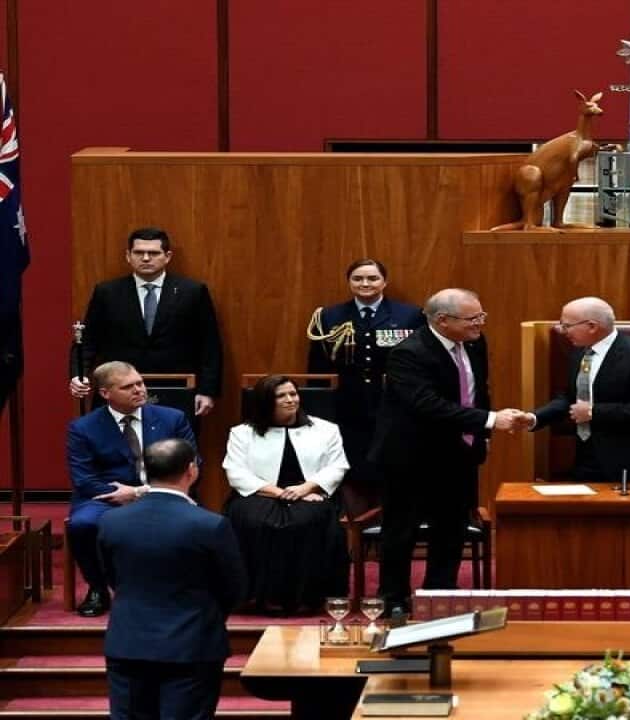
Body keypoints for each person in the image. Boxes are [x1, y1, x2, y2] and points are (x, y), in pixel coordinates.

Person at [369, 289, 523, 612]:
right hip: (410, 457)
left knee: (451, 529)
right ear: (442, 320)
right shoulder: (407, 353)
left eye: (482, 316)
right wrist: (492, 420)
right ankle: (394, 600)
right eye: (473, 318)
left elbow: (478, 390)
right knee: (402, 531)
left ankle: (440, 595)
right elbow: (427, 406)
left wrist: (483, 432)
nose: (480, 323)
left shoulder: (475, 342)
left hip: (459, 454)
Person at [99, 438, 247, 720]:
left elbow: (112, 577)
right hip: (192, 644)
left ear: (144, 473)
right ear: (191, 471)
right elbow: (235, 588)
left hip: (128, 642)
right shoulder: (210, 525)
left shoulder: (111, 522)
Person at [66, 361, 197, 617]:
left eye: (140, 383)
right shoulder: (82, 428)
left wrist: (140, 492)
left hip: (164, 493)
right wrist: (121, 495)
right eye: (128, 387)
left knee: (200, 522)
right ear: (106, 393)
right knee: (81, 524)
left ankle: (178, 589)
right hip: (106, 496)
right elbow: (84, 478)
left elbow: (191, 464)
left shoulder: (173, 418)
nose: (139, 390)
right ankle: (98, 587)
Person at [222, 375, 350, 614]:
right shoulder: (241, 433)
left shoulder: (326, 429)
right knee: (255, 521)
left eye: (293, 393)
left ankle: (306, 598)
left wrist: (305, 488)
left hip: (311, 490)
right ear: (265, 401)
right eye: (281, 396)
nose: (291, 400)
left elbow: (337, 467)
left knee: (307, 521)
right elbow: (236, 472)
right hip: (260, 493)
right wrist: (282, 493)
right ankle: (256, 597)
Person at [522, 296, 630, 483]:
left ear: (592, 326)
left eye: (567, 325)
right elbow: (570, 398)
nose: (563, 331)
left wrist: (594, 412)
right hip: (588, 459)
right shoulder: (579, 352)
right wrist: (535, 417)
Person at [307, 258, 424, 512]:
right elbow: (318, 368)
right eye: (358, 278)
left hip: (393, 406)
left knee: (392, 467)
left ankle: (390, 528)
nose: (365, 283)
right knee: (353, 468)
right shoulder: (329, 315)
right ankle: (355, 532)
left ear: (385, 281)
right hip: (348, 407)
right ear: (349, 282)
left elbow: (420, 363)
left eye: (372, 278)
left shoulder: (410, 315)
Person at [68, 227, 223, 417]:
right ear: (128, 256)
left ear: (167, 256)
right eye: (139, 253)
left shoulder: (192, 291)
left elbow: (209, 344)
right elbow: (88, 340)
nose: (146, 258)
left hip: (176, 389)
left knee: (173, 446)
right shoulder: (107, 292)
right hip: (118, 389)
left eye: (154, 253)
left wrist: (207, 390)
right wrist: (78, 375)